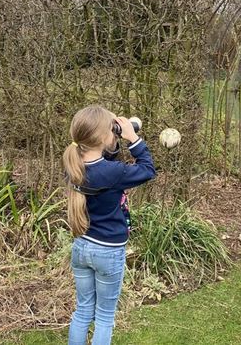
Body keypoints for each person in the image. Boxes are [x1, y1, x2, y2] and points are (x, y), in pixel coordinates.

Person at [62, 106, 156, 345]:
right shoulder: (113, 173)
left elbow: (101, 164)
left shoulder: (73, 166)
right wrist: (133, 139)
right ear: (105, 136)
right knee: (104, 316)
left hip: (82, 246)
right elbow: (147, 170)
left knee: (83, 311)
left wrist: (112, 143)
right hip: (108, 250)